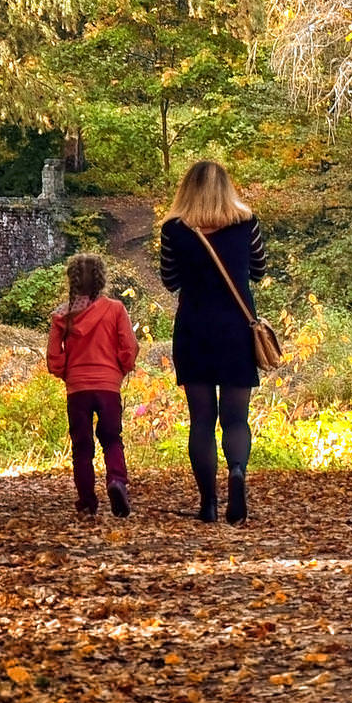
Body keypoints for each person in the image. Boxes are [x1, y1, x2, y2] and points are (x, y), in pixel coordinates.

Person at [160, 159, 267, 524]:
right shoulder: (246, 223)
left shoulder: (174, 230)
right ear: (227, 188)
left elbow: (170, 279)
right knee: (236, 418)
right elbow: (259, 269)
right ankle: (237, 470)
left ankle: (208, 503)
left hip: (194, 330)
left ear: (186, 190)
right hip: (237, 329)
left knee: (201, 420)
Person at [45, 254, 138, 518]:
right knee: (112, 439)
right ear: (101, 278)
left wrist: (66, 372)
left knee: (81, 447)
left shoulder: (63, 316)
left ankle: (87, 500)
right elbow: (128, 347)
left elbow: (54, 356)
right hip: (108, 385)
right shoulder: (116, 309)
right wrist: (121, 367)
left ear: (72, 280)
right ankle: (117, 481)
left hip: (78, 388)